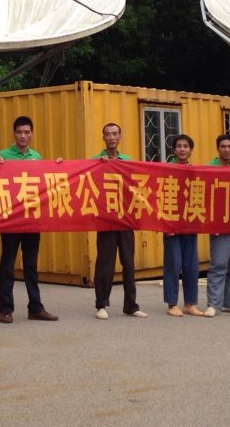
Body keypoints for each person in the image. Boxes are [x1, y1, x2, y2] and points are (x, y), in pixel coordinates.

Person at [0, 116, 57, 323]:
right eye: (19, 132)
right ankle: (6, 309)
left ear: (32, 134)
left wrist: (57, 166)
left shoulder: (37, 157)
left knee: (31, 266)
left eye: (27, 132)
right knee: (7, 265)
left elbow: (46, 181)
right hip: (10, 220)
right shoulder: (3, 156)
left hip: (31, 220)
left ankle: (35, 308)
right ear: (14, 134)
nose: (23, 136)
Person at [92, 123, 146, 320]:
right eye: (108, 134)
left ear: (120, 137)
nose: (112, 137)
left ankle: (131, 305)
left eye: (115, 134)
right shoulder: (96, 161)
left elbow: (137, 185)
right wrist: (100, 166)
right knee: (105, 264)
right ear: (103, 138)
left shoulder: (128, 161)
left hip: (125, 218)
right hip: (106, 219)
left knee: (129, 264)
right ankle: (101, 304)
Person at [204, 133, 230, 317]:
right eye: (223, 146)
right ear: (218, 148)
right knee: (219, 264)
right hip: (219, 224)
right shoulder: (208, 169)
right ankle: (213, 304)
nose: (227, 150)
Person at [163, 134, 204, 317]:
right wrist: (165, 224)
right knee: (173, 265)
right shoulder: (166, 169)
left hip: (190, 223)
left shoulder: (195, 171)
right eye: (179, 146)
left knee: (191, 265)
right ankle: (172, 304)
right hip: (171, 224)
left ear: (190, 150)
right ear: (174, 150)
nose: (182, 149)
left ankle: (189, 303)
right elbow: (159, 197)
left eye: (185, 146)